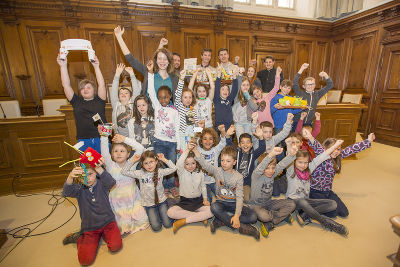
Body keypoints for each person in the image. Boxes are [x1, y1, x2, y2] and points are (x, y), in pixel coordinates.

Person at [62, 159, 122, 266]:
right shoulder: (79, 189)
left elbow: (111, 183)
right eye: (83, 176)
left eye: (90, 174)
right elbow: (66, 192)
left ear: (96, 173)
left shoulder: (102, 184)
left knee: (116, 246)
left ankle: (103, 236)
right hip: (90, 227)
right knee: (85, 261)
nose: (87, 178)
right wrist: (70, 177)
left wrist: (99, 168)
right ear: (78, 179)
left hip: (108, 222)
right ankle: (78, 237)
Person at [194, 145, 260, 240]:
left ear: (234, 162)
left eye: (228, 161)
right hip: (221, 202)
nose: (224, 163)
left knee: (253, 217)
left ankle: (222, 220)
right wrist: (196, 150)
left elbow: (239, 198)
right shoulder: (217, 171)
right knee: (214, 207)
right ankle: (241, 227)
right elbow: (205, 164)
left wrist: (237, 215)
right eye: (222, 160)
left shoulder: (238, 177)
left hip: (234, 203)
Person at [306, 130, 375, 218]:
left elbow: (352, 149)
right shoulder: (321, 156)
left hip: (327, 191)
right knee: (332, 213)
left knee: (344, 213)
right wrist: (310, 137)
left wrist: (368, 141)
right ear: (325, 149)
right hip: (315, 191)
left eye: (338, 149)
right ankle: (308, 205)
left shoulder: (338, 157)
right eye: (333, 148)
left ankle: (318, 204)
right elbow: (316, 146)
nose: (336, 151)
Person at [286, 140, 349, 236]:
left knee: (333, 204)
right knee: (302, 202)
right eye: (300, 162)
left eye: (306, 163)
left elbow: (322, 156)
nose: (303, 165)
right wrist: (289, 147)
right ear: (294, 162)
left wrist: (335, 146)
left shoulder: (309, 169)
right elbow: (288, 159)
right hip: (294, 201)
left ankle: (305, 214)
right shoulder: (291, 171)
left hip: (307, 201)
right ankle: (328, 223)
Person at [100, 132, 148, 236]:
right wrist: (104, 135)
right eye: (115, 151)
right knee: (123, 225)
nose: (118, 153)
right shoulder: (110, 165)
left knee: (143, 219)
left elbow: (140, 148)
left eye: (122, 151)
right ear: (112, 154)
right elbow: (104, 150)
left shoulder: (132, 163)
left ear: (128, 154)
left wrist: (124, 139)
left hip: (133, 200)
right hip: (118, 203)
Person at [114, 26, 179, 102]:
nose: (162, 61)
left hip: (170, 112)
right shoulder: (148, 72)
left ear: (169, 61)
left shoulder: (175, 77)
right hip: (151, 112)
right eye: (160, 59)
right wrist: (119, 37)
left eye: (165, 59)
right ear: (156, 60)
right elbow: (131, 59)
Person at [57, 54, 106, 153]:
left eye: (88, 87)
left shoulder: (100, 99)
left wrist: (96, 67)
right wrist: (63, 66)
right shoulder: (76, 101)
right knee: (88, 167)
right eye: (82, 88)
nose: (85, 89)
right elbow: (66, 85)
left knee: (105, 166)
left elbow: (101, 84)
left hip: (102, 138)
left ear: (94, 90)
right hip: (84, 140)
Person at [122, 151, 176, 231]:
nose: (149, 165)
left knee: (168, 224)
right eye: (146, 163)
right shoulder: (140, 173)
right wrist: (132, 161)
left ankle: (167, 211)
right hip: (149, 204)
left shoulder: (160, 171)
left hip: (161, 201)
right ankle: (160, 214)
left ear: (156, 161)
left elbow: (174, 168)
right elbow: (124, 171)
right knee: (156, 227)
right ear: (142, 165)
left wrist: (164, 159)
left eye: (151, 162)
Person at [250, 145, 297, 237]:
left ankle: (271, 220)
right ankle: (277, 217)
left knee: (292, 204)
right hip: (256, 205)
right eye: (267, 168)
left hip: (269, 203)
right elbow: (262, 166)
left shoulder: (272, 173)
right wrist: (271, 154)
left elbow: (282, 164)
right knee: (265, 217)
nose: (271, 171)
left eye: (273, 168)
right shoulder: (256, 175)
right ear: (262, 167)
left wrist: (291, 155)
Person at [147, 70, 180, 198]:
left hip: (172, 144)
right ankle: (163, 187)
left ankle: (171, 186)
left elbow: (177, 128)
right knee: (160, 165)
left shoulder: (175, 111)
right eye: (160, 97)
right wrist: (150, 74)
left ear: (170, 96)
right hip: (159, 142)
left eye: (165, 97)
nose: (163, 100)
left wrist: (178, 145)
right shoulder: (157, 107)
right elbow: (150, 91)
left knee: (171, 165)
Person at [167, 145, 213, 233]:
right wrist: (187, 149)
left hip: (198, 201)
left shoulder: (200, 172)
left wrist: (205, 199)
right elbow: (179, 163)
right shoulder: (181, 172)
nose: (190, 166)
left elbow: (203, 187)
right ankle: (200, 217)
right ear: (184, 164)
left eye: (193, 163)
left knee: (212, 211)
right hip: (185, 202)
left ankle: (183, 221)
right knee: (170, 212)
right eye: (187, 164)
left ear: (196, 163)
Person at [225, 125, 266, 203]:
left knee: (247, 199)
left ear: (251, 144)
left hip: (246, 183)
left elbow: (262, 148)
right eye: (242, 143)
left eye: (248, 142)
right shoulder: (236, 152)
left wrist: (261, 138)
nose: (245, 145)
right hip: (234, 181)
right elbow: (229, 144)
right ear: (239, 145)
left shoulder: (253, 154)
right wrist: (227, 136)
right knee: (227, 196)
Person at [196, 126, 230, 203]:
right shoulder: (198, 150)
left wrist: (222, 131)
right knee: (207, 200)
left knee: (224, 197)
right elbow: (194, 137)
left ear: (214, 141)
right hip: (202, 182)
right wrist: (200, 127)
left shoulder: (215, 150)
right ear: (201, 141)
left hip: (214, 181)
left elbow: (223, 142)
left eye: (210, 139)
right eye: (205, 139)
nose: (208, 141)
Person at [110, 63, 141, 137]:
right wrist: (117, 75)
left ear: (130, 96)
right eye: (121, 93)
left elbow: (136, 91)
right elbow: (114, 90)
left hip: (132, 136)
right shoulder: (116, 104)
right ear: (118, 97)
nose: (123, 94)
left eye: (126, 93)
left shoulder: (133, 103)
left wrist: (132, 75)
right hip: (118, 136)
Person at [176, 70, 199, 152]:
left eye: (190, 97)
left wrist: (197, 124)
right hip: (181, 136)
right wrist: (181, 79)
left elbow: (198, 130)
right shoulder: (179, 106)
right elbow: (178, 94)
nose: (188, 99)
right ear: (181, 99)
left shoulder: (193, 110)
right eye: (185, 97)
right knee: (184, 154)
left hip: (191, 137)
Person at [213, 63, 239, 132]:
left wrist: (234, 77)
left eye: (227, 89)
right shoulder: (217, 99)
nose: (225, 91)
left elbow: (234, 90)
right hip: (219, 126)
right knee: (218, 142)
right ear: (219, 91)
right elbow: (216, 88)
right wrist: (218, 75)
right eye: (223, 89)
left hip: (229, 126)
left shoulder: (229, 99)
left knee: (228, 142)